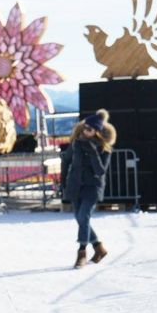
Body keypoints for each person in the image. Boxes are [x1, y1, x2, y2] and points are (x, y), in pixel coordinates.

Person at [60, 109, 116, 269]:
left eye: (89, 129)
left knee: (83, 216)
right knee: (80, 219)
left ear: (97, 131)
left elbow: (100, 171)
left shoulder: (104, 149)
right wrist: (63, 182)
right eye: (85, 128)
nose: (85, 131)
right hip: (76, 186)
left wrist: (92, 152)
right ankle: (99, 248)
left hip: (93, 188)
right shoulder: (76, 143)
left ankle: (82, 252)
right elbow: (66, 161)